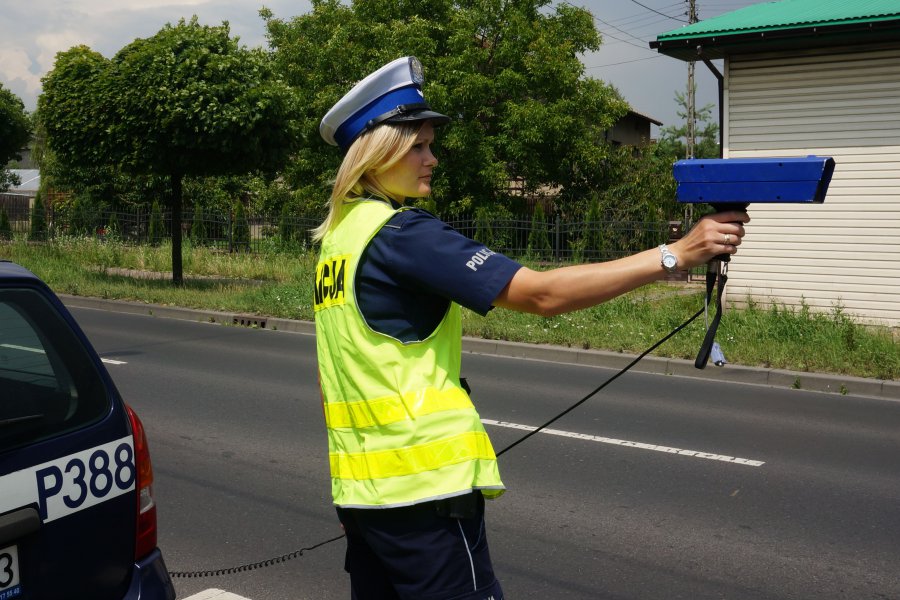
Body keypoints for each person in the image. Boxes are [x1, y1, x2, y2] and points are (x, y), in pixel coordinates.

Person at [313, 56, 749, 600]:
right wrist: (674, 255)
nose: (433, 159)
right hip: (426, 497)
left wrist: (355, 504)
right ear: (378, 152)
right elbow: (541, 295)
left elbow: (342, 375)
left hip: (367, 497)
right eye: (418, 145)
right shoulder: (404, 235)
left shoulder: (340, 240)